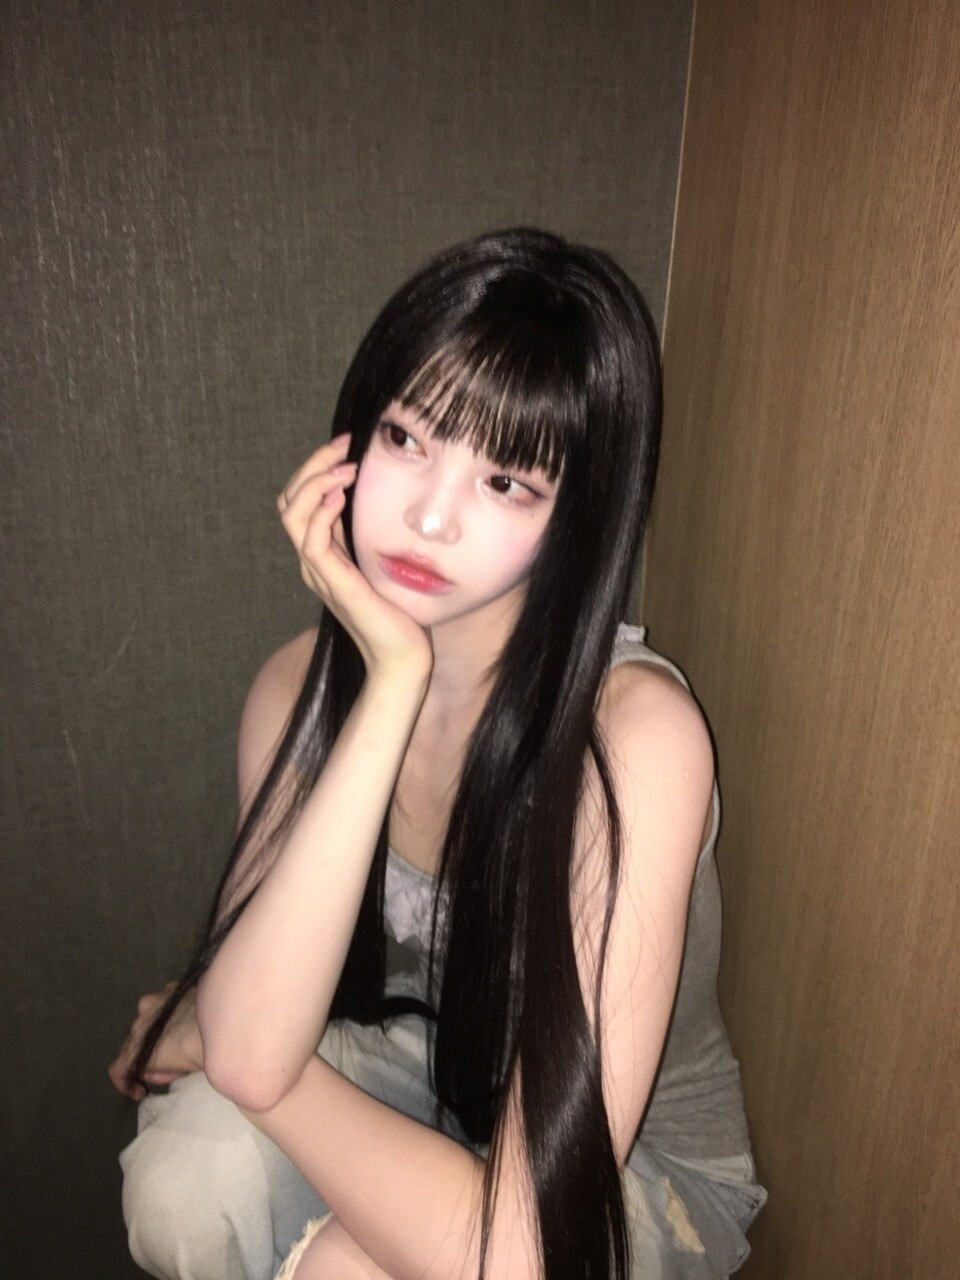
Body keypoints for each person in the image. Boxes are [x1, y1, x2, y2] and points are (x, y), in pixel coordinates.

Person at [109, 228, 766, 1280]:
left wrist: (233, 1047)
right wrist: (391, 680)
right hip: (429, 1060)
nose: (428, 514)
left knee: (345, 1264)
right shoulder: (297, 689)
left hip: (630, 1163)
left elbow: (519, 1248)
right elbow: (254, 1032)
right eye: (406, 437)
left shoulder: (637, 736)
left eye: (506, 481)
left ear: (576, 517)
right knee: (184, 1185)